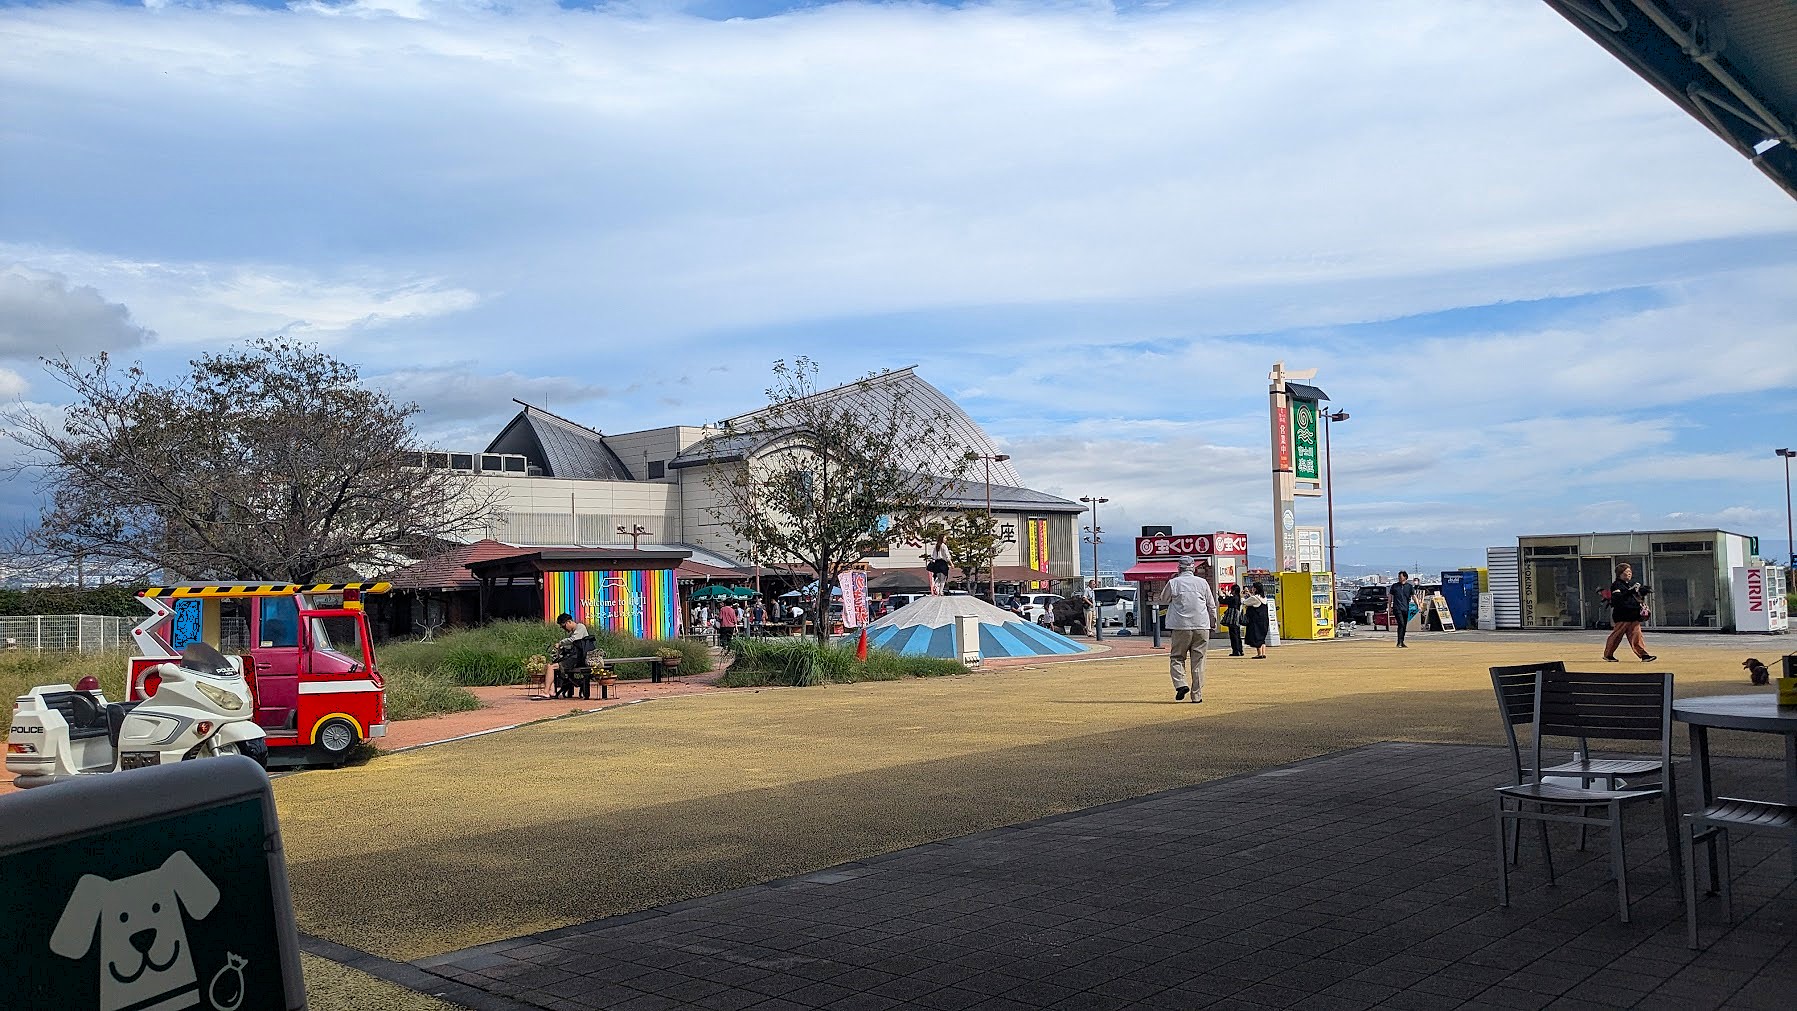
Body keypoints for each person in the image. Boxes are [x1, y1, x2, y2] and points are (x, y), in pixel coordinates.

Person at [1153, 557, 1218, 703]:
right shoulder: (1202, 583)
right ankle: (1197, 695)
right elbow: (1211, 605)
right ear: (1193, 568)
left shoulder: (1174, 583)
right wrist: (1213, 622)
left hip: (1180, 626)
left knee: (1177, 657)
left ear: (1179, 568)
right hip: (1201, 625)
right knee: (1199, 660)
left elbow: (1163, 599)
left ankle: (1181, 684)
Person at [1603, 562, 1657, 662]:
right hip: (1623, 616)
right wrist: (1630, 591)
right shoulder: (1616, 585)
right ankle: (1608, 655)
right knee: (1616, 636)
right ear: (1620, 573)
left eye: (1630, 572)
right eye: (1626, 572)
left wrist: (1642, 592)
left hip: (1633, 616)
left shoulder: (1629, 585)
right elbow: (1617, 599)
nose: (1629, 574)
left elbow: (1635, 597)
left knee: (1637, 636)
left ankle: (1644, 655)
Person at [547, 612, 590, 695]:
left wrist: (560, 643)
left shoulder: (580, 627)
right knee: (550, 665)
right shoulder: (573, 632)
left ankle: (547, 691)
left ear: (569, 622)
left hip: (579, 658)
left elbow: (574, 639)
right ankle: (552, 691)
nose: (564, 629)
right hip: (573, 657)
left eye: (564, 626)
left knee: (553, 667)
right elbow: (571, 646)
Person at [1388, 571, 1418, 648]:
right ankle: (1399, 642)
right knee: (1401, 623)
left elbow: (1414, 596)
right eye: (1398, 577)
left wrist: (1418, 605)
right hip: (1397, 608)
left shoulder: (1409, 587)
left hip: (1405, 608)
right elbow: (1390, 596)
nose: (1399, 578)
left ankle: (1402, 641)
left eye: (1400, 577)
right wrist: (1389, 606)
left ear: (1405, 577)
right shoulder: (1394, 586)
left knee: (1404, 625)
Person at [1243, 583, 1270, 659]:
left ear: (1255, 589)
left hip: (1256, 621)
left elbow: (1244, 602)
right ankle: (1263, 653)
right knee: (1262, 636)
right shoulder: (1264, 598)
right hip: (1264, 620)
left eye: (1253, 587)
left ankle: (1259, 654)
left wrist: (1243, 596)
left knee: (1257, 636)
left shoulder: (1255, 598)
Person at [1219, 582, 1245, 656]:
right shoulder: (1238, 598)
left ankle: (1235, 651)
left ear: (1233, 590)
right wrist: (1226, 595)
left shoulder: (1233, 598)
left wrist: (1220, 595)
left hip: (1232, 617)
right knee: (1237, 634)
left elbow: (1222, 601)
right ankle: (1240, 650)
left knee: (1233, 634)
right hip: (1237, 617)